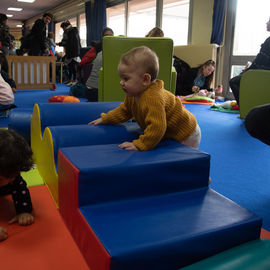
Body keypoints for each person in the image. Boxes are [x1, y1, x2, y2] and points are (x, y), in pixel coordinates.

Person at [89, 46, 200, 151]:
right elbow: (124, 111)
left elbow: (157, 127)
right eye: (121, 78)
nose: (121, 82)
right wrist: (106, 119)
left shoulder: (152, 98)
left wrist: (140, 145)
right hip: (170, 132)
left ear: (145, 79)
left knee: (179, 163)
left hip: (187, 133)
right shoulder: (133, 95)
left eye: (126, 78)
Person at [0, 129, 34, 241]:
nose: (11, 180)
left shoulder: (11, 174)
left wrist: (23, 211)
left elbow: (20, 188)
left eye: (14, 175)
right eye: (2, 179)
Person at [229, 17, 270, 106]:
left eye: (269, 21)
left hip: (261, 74)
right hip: (263, 73)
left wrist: (247, 71)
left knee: (233, 82)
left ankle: (244, 106)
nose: (266, 23)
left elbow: (259, 62)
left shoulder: (268, 41)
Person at [57, 21, 81, 86]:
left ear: (65, 26)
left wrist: (60, 44)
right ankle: (70, 79)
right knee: (70, 66)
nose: (63, 29)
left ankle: (75, 80)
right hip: (69, 51)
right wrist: (60, 43)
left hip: (74, 51)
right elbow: (65, 41)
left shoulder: (73, 30)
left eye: (63, 28)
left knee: (74, 66)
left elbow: (70, 41)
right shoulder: (67, 31)